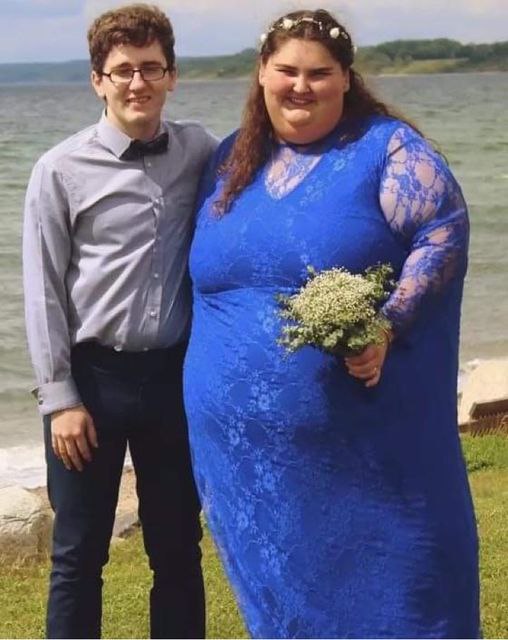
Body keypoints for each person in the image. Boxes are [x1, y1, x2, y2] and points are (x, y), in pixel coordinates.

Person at [183, 8, 480, 638]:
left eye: (319, 73)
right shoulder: (231, 158)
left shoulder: (387, 150)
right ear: (261, 72)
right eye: (286, 70)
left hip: (362, 457)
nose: (301, 86)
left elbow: (443, 233)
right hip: (245, 460)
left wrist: (387, 324)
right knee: (283, 610)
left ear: (346, 78)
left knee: (399, 597)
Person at [22, 4, 216, 638]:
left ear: (172, 76)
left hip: (173, 382)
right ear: (97, 81)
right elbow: (43, 292)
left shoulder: (200, 151)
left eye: (151, 68)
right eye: (123, 70)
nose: (138, 82)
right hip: (91, 384)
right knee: (78, 557)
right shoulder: (59, 170)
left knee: (179, 550)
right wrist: (60, 400)